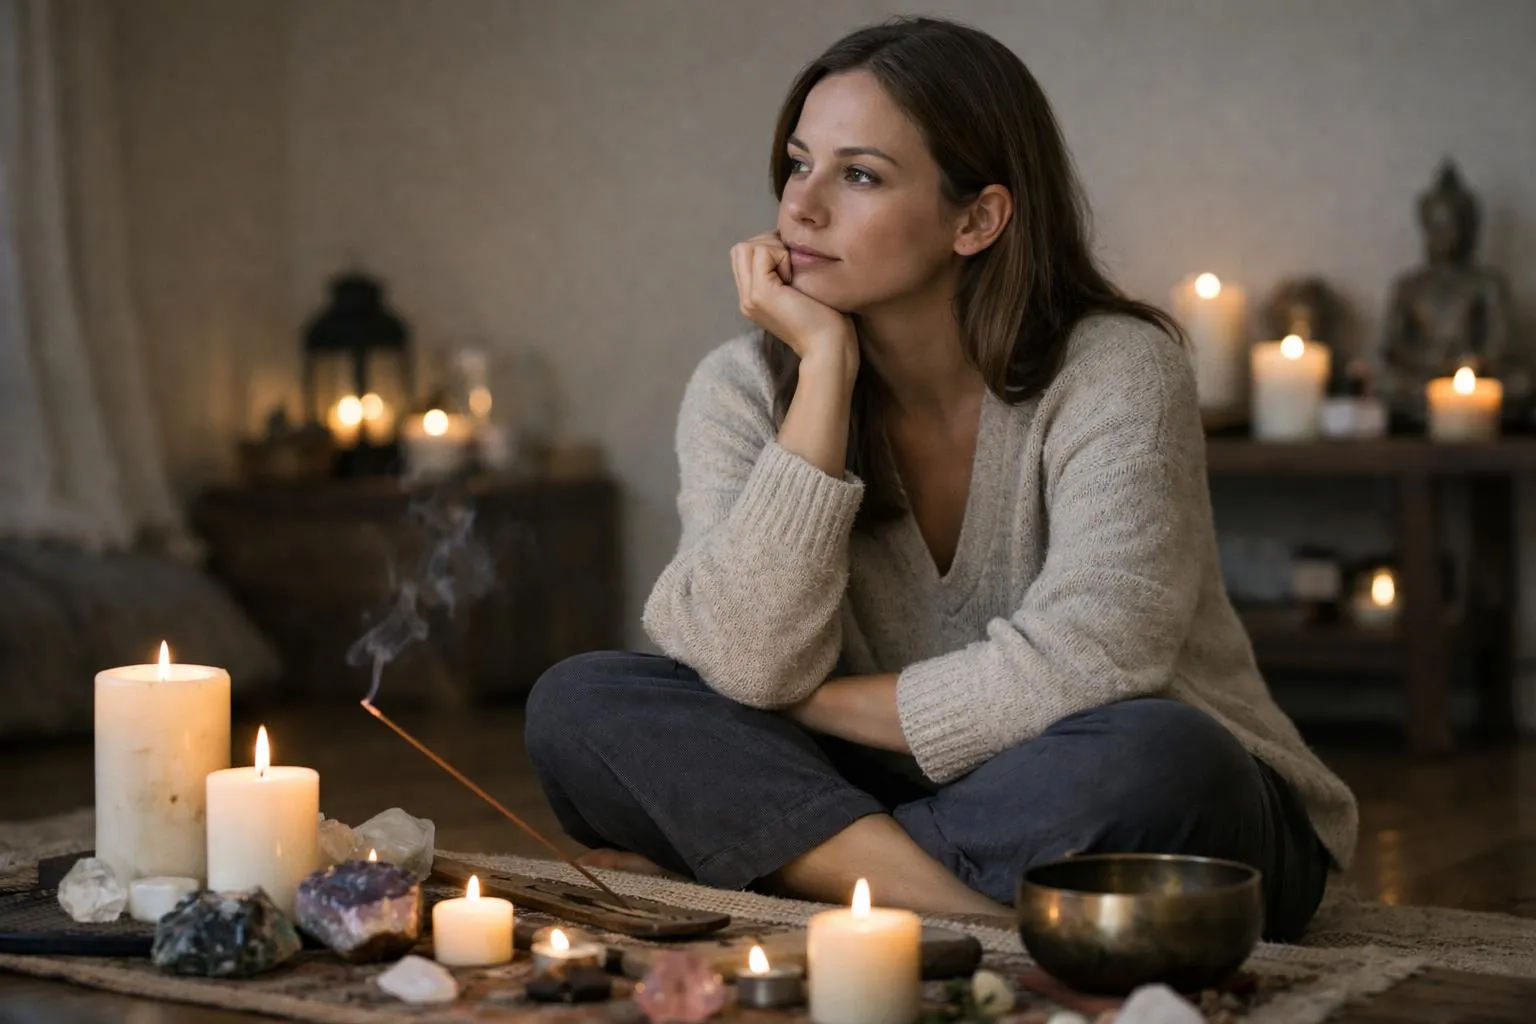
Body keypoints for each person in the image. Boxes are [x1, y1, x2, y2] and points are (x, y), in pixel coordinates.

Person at [525, 16, 1356, 940]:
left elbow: (1096, 660)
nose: (801, 207)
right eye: (799, 164)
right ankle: (965, 911)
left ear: (978, 218)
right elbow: (742, 655)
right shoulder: (740, 387)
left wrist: (802, 705)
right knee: (585, 702)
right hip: (894, 789)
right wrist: (825, 374)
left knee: (1164, 757)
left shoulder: (1117, 366)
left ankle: (785, 873)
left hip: (1128, 787)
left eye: (861, 175)